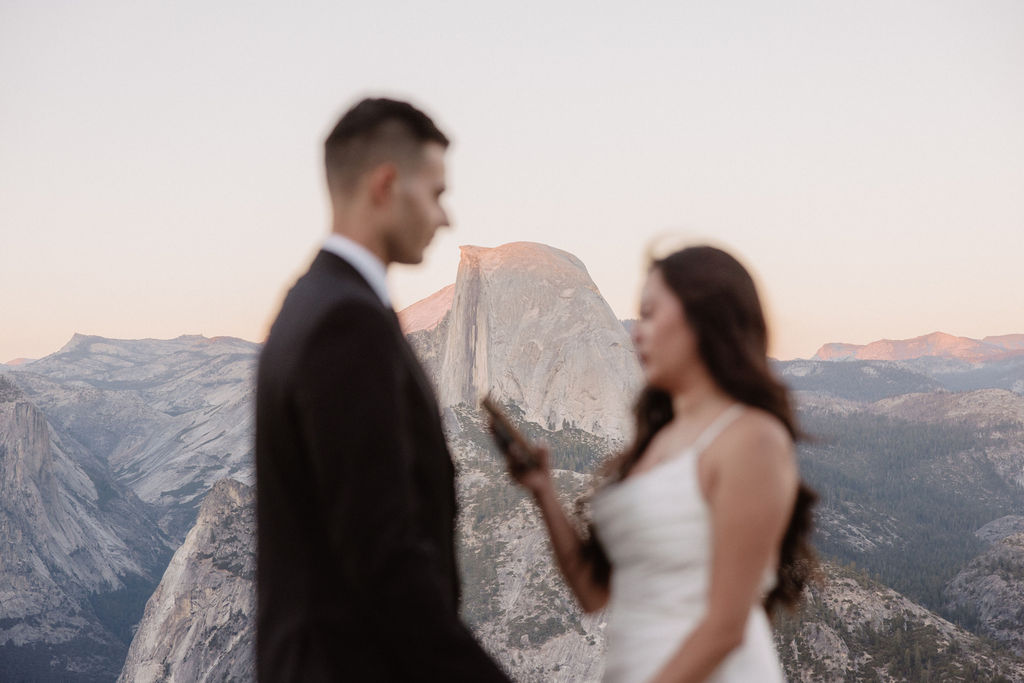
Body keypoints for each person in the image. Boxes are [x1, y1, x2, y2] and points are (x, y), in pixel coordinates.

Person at [255, 98, 510, 682]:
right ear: (386, 184)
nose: (445, 218)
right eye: (437, 193)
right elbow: (382, 558)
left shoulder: (308, 305)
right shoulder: (345, 324)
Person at [507, 245, 817, 682]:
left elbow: (726, 625)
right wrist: (542, 491)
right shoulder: (657, 440)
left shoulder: (752, 438)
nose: (636, 332)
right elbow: (593, 593)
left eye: (651, 314)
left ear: (703, 319)